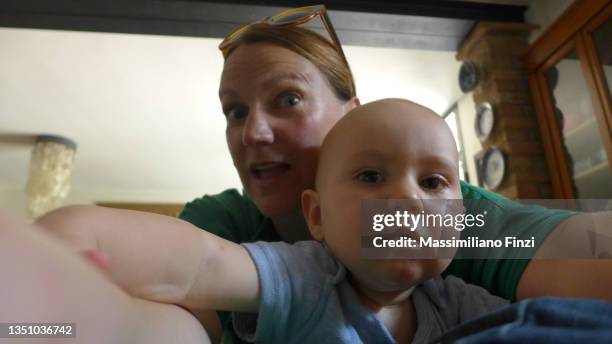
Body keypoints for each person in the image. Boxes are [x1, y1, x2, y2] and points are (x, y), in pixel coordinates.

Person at [33, 4, 612, 344]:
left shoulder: (450, 221)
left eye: (286, 99)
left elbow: (583, 255)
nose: (252, 132)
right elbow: (187, 303)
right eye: (234, 111)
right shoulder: (239, 231)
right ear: (314, 215)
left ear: (349, 115)